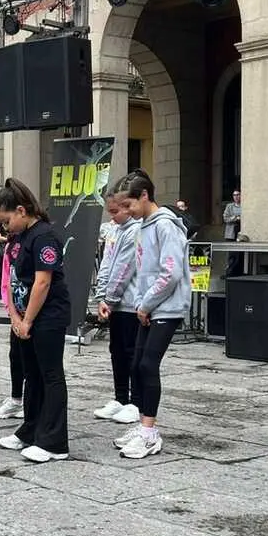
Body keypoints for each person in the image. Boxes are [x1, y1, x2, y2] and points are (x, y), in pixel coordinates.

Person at [111, 169, 190, 460]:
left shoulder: (165, 226)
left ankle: (149, 432)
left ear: (144, 196)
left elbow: (170, 273)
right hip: (148, 306)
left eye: (129, 205)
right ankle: (142, 423)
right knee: (136, 364)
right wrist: (142, 304)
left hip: (166, 306)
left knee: (147, 364)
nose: (127, 212)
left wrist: (145, 304)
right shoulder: (145, 225)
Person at [0, 178, 71, 464]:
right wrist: (14, 315)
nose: (4, 228)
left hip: (47, 316)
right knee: (32, 376)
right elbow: (11, 279)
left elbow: (42, 282)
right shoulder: (18, 239)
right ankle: (31, 428)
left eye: (6, 221)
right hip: (23, 316)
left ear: (22, 211)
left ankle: (54, 441)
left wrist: (28, 320)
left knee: (50, 376)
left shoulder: (44, 236)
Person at [94, 187, 142, 423]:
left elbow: (124, 268)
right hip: (115, 303)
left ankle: (135, 401)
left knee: (131, 351)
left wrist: (109, 298)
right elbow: (107, 263)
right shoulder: (115, 229)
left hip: (131, 302)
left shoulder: (135, 231)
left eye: (115, 211)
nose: (112, 216)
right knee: (117, 351)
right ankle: (120, 396)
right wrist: (102, 295)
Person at [0, 234, 25, 420]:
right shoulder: (11, 244)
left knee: (32, 361)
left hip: (33, 312)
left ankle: (30, 401)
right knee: (15, 356)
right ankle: (16, 398)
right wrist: (10, 311)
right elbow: (6, 278)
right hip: (15, 309)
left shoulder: (36, 239)